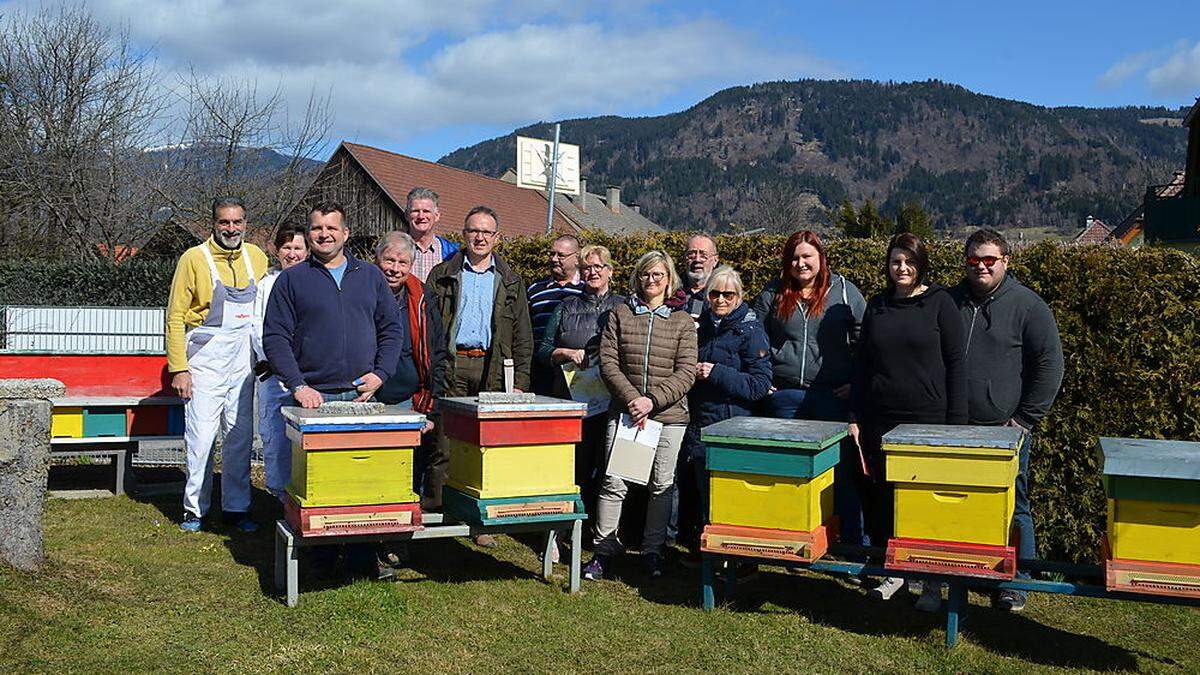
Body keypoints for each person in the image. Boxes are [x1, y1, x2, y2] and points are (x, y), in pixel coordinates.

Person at [263, 202, 404, 580]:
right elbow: (274, 337)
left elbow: (392, 329)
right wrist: (298, 385)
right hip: (314, 400)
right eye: (316, 228)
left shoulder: (370, 276)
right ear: (308, 235)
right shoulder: (292, 280)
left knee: (359, 483)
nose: (324, 234)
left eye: (331, 228)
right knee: (316, 485)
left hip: (362, 397)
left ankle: (361, 561)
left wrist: (380, 374)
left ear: (345, 233)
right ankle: (318, 559)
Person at [849, 232, 967, 608]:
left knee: (925, 506)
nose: (902, 268)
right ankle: (894, 574)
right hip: (881, 419)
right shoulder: (878, 306)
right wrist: (856, 415)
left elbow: (957, 365)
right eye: (896, 261)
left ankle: (932, 583)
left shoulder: (941, 303)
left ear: (921, 265)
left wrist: (956, 426)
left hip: (929, 420)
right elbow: (863, 365)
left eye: (909, 262)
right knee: (885, 501)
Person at [950, 228, 1064, 613]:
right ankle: (963, 574)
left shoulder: (1028, 306)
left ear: (1005, 262)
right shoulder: (951, 301)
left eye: (989, 260)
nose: (981, 266)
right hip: (955, 429)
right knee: (962, 506)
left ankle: (1017, 583)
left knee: (1015, 506)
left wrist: (1024, 420)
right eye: (973, 260)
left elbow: (1050, 365)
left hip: (1005, 431)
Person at [585, 250, 697, 581]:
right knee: (613, 481)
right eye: (646, 274)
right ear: (637, 277)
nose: (651, 280)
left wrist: (652, 401)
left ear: (669, 279)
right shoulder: (620, 314)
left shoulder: (681, 321)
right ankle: (603, 550)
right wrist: (634, 399)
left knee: (661, 484)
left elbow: (687, 370)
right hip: (626, 413)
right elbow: (608, 362)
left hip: (669, 416)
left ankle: (652, 551)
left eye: (658, 275)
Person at [751, 230, 867, 550]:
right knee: (788, 474)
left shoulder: (844, 292)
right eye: (794, 257)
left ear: (821, 258)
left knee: (841, 474)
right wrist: (763, 376)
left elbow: (866, 343)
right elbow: (753, 336)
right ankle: (790, 543)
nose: (800, 263)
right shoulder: (773, 293)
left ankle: (851, 544)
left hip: (832, 396)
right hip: (786, 396)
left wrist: (855, 383)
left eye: (807, 257)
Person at [427, 206, 533, 547]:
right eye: (474, 230)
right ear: (464, 234)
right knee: (443, 444)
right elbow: (428, 327)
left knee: (485, 445)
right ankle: (437, 513)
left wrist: (520, 382)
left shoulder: (511, 280)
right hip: (452, 363)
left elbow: (522, 336)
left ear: (496, 238)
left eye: (487, 232)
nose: (480, 237)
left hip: (492, 367)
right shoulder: (443, 274)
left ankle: (481, 521)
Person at [167, 196, 269, 533]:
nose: (231, 228)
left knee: (240, 436)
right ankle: (194, 509)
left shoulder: (257, 257)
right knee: (201, 437)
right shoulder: (193, 259)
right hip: (205, 362)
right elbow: (176, 316)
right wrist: (178, 368)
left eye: (237, 222)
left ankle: (237, 509)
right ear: (214, 223)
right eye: (224, 222)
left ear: (245, 223)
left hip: (243, 362)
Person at [680, 266, 772, 558]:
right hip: (701, 423)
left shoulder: (751, 331)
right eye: (715, 294)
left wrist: (717, 372)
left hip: (733, 427)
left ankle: (737, 561)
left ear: (739, 296)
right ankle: (708, 558)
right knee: (704, 498)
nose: (721, 300)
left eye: (728, 294)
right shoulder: (701, 327)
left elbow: (759, 385)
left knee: (732, 502)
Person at [536, 244, 624, 521]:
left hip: (612, 401)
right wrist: (565, 353)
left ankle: (603, 531)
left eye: (598, 266)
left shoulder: (623, 307)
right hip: (573, 401)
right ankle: (568, 525)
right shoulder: (566, 307)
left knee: (610, 469)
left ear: (610, 271)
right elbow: (543, 349)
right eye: (587, 267)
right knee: (575, 468)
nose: (592, 272)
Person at [251, 220, 308, 503]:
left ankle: (304, 496)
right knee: (275, 437)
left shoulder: (314, 280)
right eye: (287, 247)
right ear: (277, 250)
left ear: (307, 250)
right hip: (275, 377)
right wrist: (277, 365)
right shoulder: (267, 285)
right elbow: (260, 331)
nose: (293, 253)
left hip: (309, 377)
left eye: (298, 247)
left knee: (306, 440)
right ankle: (279, 497)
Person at [527, 234, 584, 394]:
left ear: (576, 258)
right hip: (539, 371)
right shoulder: (535, 290)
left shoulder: (586, 291)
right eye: (552, 254)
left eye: (561, 255)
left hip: (575, 373)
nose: (554, 259)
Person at [406, 187, 460, 282]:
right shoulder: (393, 249)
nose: (421, 216)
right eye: (415, 211)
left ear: (437, 216)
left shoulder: (452, 254)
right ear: (406, 215)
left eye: (426, 211)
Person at [666, 233, 719, 319]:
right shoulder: (669, 290)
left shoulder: (723, 294)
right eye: (691, 255)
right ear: (684, 258)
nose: (697, 259)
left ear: (715, 260)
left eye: (703, 256)